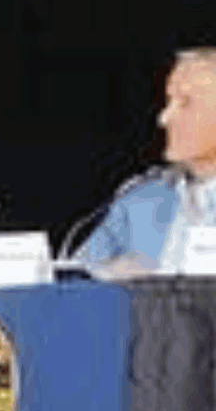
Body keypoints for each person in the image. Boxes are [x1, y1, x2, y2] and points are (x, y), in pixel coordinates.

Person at [78, 39, 216, 276]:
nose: (163, 118)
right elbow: (74, 284)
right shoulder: (139, 199)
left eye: (185, 104)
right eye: (167, 101)